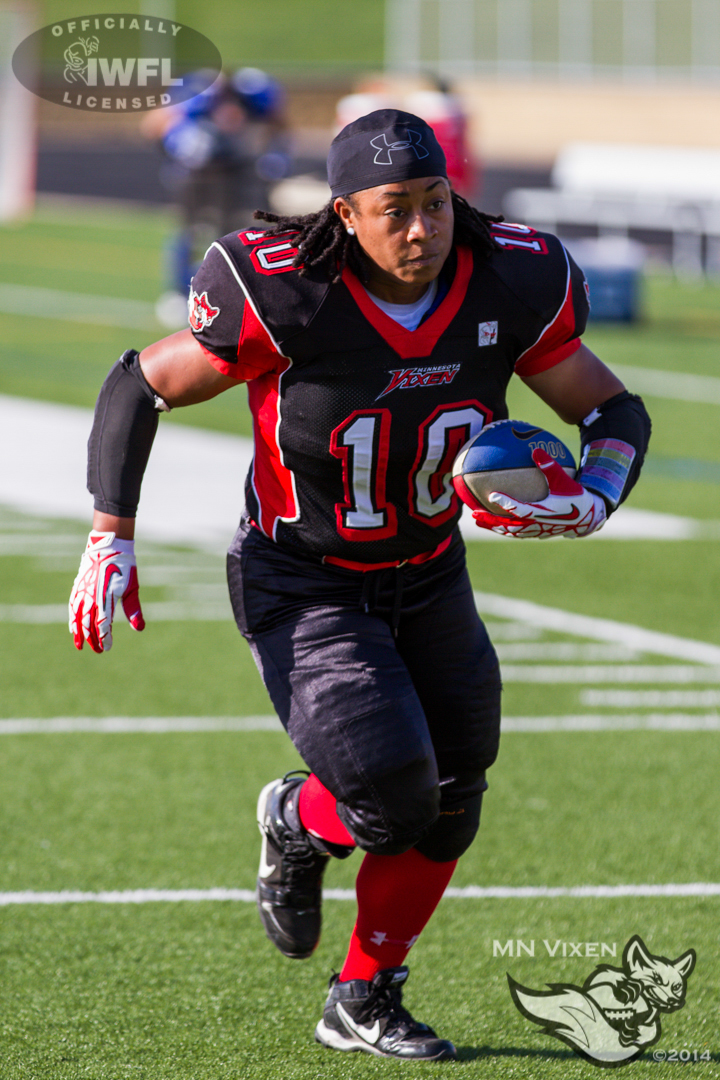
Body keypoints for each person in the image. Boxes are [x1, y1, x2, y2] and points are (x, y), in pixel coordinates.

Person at [68, 110, 650, 1061]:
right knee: (390, 793)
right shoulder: (288, 294)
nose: (421, 231)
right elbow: (142, 384)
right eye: (395, 212)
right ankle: (297, 816)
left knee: (456, 792)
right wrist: (109, 534)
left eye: (435, 205)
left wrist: (601, 486)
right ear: (345, 213)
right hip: (302, 578)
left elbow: (609, 405)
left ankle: (365, 991)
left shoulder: (509, 276)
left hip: (426, 569)